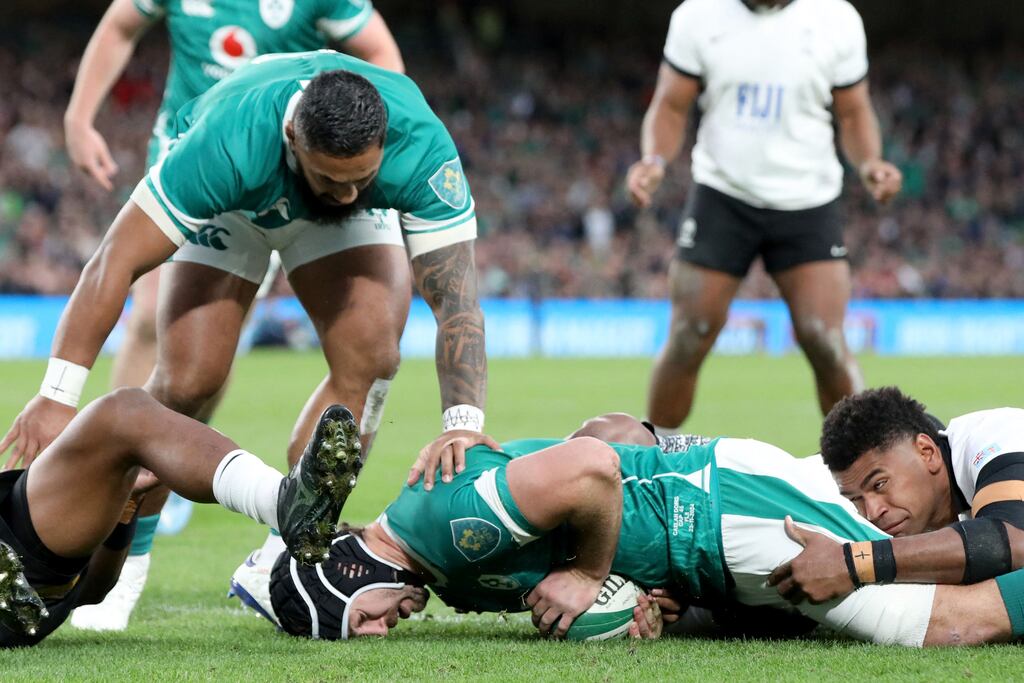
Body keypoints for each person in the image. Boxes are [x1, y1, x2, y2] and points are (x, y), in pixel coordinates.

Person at [1, 51, 491, 630]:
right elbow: (113, 263)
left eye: (361, 178)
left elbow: (457, 303)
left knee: (375, 354)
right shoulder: (225, 142)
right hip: (236, 203)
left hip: (330, 213)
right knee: (188, 381)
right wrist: (59, 393)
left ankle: (285, 553)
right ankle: (128, 561)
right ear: (292, 138)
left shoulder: (417, 150)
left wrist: (463, 420)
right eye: (331, 179)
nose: (345, 195)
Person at [59, 0, 405, 630]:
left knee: (229, 369)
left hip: (289, 175)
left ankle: (273, 543)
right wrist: (80, 117)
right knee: (175, 359)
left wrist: (365, 134)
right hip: (198, 159)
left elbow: (379, 53)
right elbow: (118, 25)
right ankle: (119, 513)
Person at [260, 412, 1019, 646]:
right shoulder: (430, 556)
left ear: (352, 576)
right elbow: (593, 445)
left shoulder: (439, 523)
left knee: (945, 620)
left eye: (361, 621)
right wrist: (642, 597)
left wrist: (591, 574)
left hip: (724, 513)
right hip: (708, 536)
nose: (382, 630)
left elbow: (590, 462)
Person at [625, 0, 903, 437]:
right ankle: (654, 452)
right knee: (689, 332)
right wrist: (654, 160)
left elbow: (853, 110)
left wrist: (870, 163)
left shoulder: (836, 18)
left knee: (824, 339)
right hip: (723, 194)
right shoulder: (697, 16)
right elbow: (671, 105)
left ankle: (863, 463)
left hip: (807, 198)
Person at [0, 394, 364, 648]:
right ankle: (280, 503)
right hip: (24, 591)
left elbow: (93, 589)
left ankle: (283, 503)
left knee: (126, 412)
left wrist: (126, 507)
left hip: (26, 592)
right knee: (124, 411)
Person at [766, 388, 1024, 625]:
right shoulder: (928, 502)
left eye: (879, 485)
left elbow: (1012, 540)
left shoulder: (1001, 435)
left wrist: (854, 563)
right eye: (856, 499)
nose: (872, 512)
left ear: (927, 452)